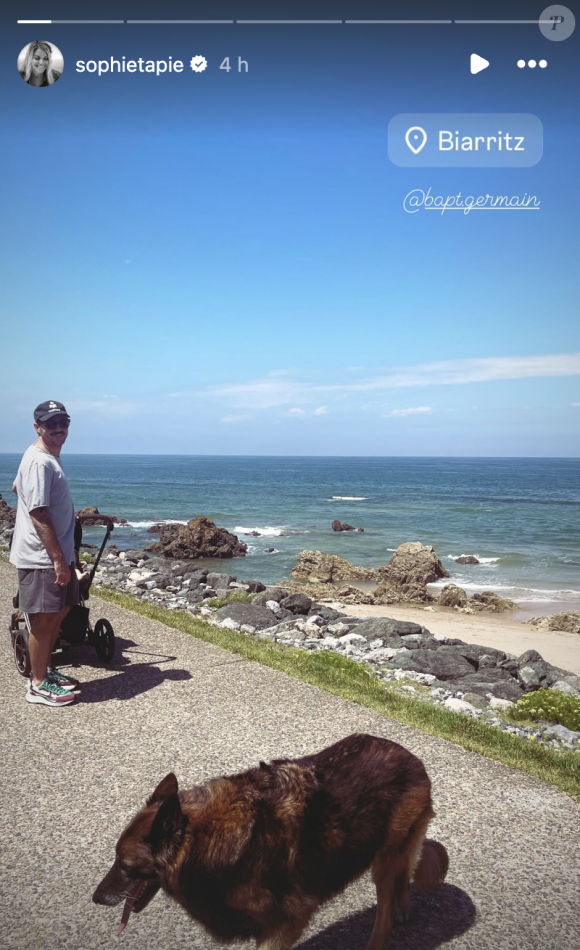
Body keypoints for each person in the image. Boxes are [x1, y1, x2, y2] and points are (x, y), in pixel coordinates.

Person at [10, 401, 79, 706]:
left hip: (56, 553)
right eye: (50, 424)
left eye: (62, 422)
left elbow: (17, 489)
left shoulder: (46, 457)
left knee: (60, 612)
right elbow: (38, 512)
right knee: (45, 618)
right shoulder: (40, 461)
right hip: (43, 558)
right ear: (38, 427)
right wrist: (57, 559)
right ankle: (37, 685)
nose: (58, 429)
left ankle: (45, 669)